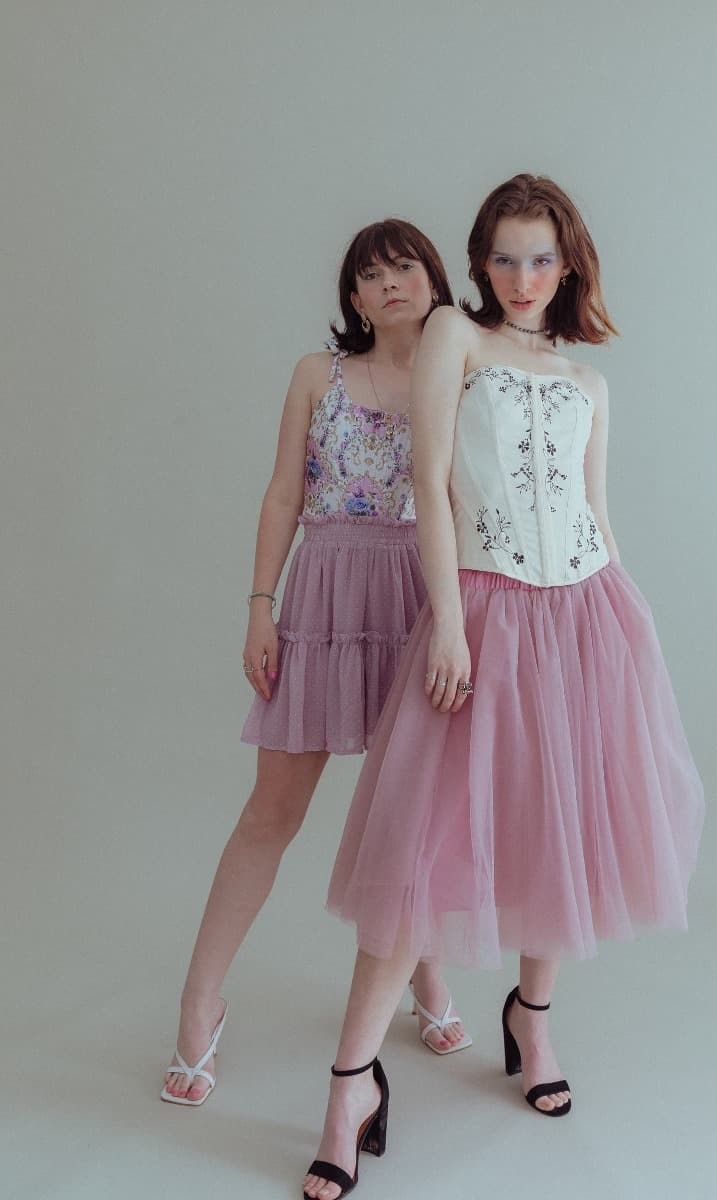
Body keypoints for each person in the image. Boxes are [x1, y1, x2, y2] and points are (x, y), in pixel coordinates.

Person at [303, 175, 704, 1199]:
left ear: (566, 266)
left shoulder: (587, 379)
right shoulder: (455, 339)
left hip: (585, 613)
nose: (521, 279)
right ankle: (349, 1084)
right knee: (416, 858)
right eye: (503, 258)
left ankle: (531, 1021)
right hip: (483, 614)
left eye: (541, 260)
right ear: (477, 263)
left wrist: (629, 624)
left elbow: (592, 510)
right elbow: (432, 485)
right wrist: (444, 620)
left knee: (555, 828)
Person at [161, 219, 472, 1108]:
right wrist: (260, 608)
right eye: (369, 276)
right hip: (327, 598)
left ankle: (423, 974)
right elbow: (282, 494)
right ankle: (199, 1003)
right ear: (353, 298)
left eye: (404, 266)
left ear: (432, 276)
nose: (390, 285)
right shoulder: (317, 374)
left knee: (417, 810)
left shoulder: (459, 370)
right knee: (271, 812)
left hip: (423, 600)